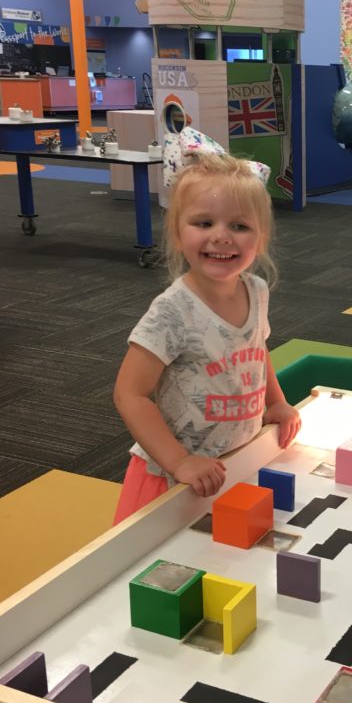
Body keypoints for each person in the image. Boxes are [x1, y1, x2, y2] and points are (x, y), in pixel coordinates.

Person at [112, 145, 301, 525]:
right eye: (203, 223)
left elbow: (255, 350)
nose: (222, 237)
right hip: (173, 479)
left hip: (235, 461)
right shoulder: (173, 310)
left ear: (260, 238)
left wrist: (275, 403)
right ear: (178, 234)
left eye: (239, 226)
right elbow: (129, 393)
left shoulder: (256, 290)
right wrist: (180, 461)